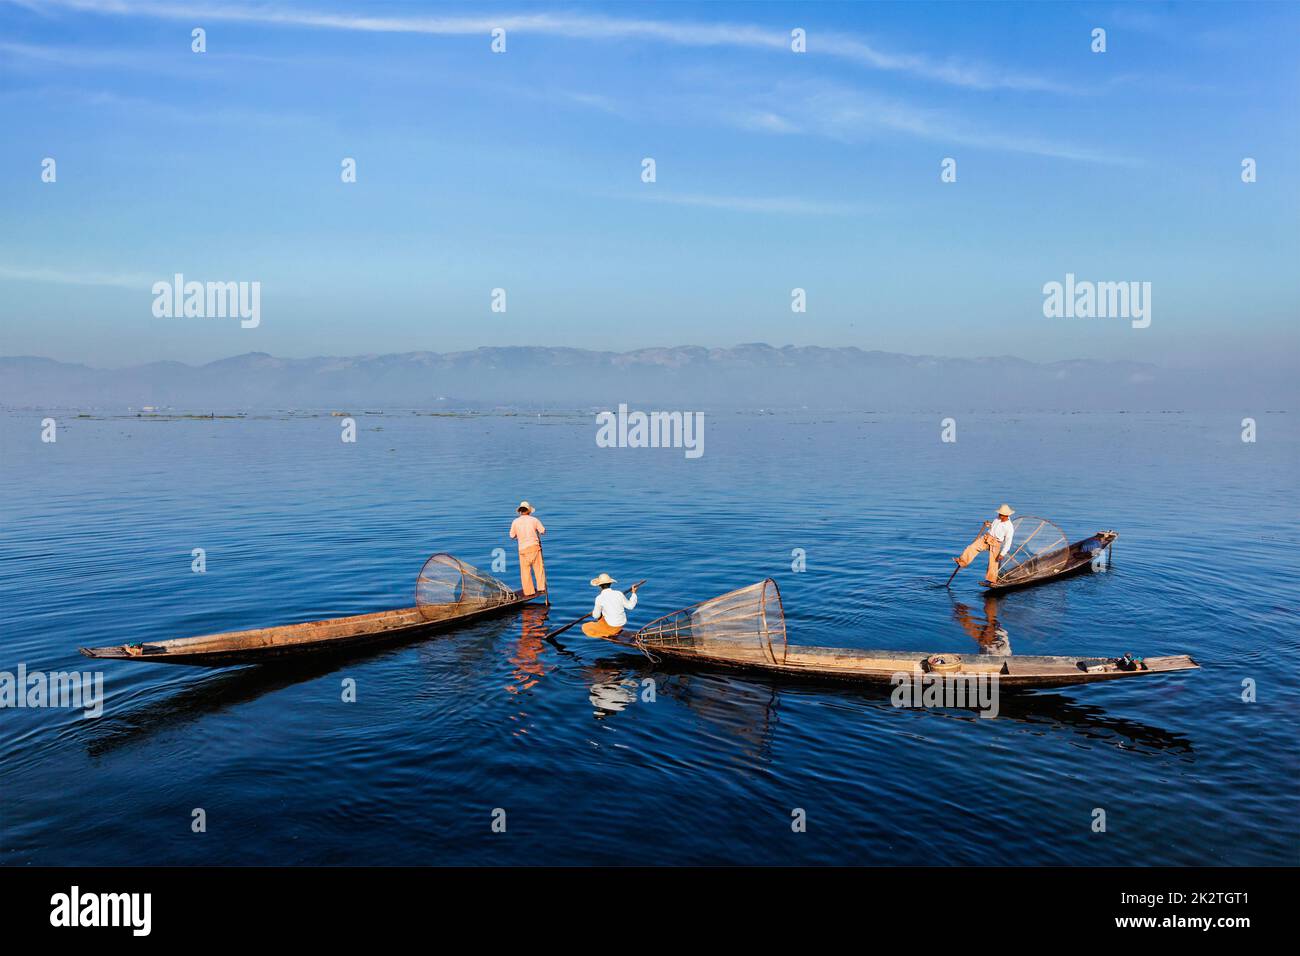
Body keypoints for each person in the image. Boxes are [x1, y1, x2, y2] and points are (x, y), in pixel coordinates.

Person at [954, 504, 1015, 585]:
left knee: (993, 562)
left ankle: (991, 580)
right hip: (986, 538)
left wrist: (1002, 553)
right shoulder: (997, 519)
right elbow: (993, 528)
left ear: (1006, 515)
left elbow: (1008, 542)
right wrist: (988, 524)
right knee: (972, 547)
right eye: (999, 513)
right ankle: (962, 561)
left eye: (1001, 514)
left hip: (996, 543)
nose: (999, 515)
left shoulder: (1009, 527)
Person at [509, 501, 547, 602]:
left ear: (520, 511)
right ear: (529, 511)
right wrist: (539, 531)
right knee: (539, 569)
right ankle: (541, 588)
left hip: (523, 550)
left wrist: (519, 535)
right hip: (534, 548)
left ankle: (529, 591)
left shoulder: (515, 522)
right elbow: (543, 531)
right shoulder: (534, 520)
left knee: (525, 572)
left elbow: (512, 536)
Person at [581, 573, 639, 638]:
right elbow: (630, 606)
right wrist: (633, 593)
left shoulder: (599, 598)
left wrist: (594, 612)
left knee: (586, 626)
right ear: (610, 584)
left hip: (612, 626)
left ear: (599, 586)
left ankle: (607, 632)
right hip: (621, 624)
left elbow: (596, 615)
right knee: (602, 616)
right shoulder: (618, 593)